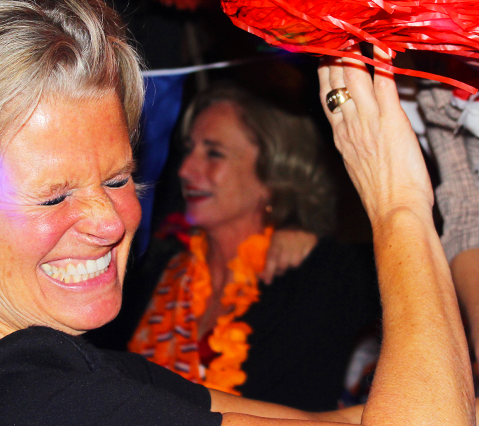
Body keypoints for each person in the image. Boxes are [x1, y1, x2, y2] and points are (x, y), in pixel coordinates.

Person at [0, 0, 472, 426]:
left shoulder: (8, 365)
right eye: (54, 195)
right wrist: (400, 204)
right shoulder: (24, 402)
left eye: (119, 179)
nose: (109, 221)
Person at [129, 86, 380, 410]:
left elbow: (416, 274)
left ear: (274, 172)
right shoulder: (153, 270)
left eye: (214, 153)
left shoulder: (321, 276)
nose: (185, 169)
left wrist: (311, 244)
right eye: (189, 149)